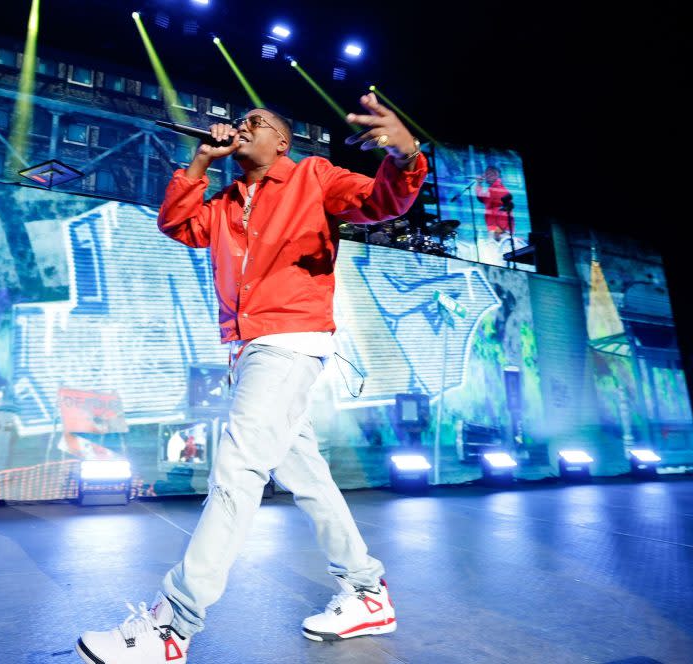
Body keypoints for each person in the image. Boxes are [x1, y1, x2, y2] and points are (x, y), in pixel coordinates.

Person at [76, 94, 427, 664]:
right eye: (237, 124)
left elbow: (383, 199)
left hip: (287, 343)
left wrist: (405, 152)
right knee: (306, 476)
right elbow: (177, 223)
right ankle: (366, 591)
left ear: (282, 143)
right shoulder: (224, 202)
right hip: (248, 349)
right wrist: (199, 164)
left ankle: (172, 627)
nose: (241, 129)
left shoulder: (313, 176)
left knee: (237, 472)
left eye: (254, 124)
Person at [475, 165, 514, 241]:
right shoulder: (493, 188)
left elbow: (506, 212)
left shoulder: (498, 189)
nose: (484, 176)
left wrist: (498, 231)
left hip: (500, 229)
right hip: (497, 228)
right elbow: (482, 198)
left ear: (495, 175)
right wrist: (479, 184)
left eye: (487, 174)